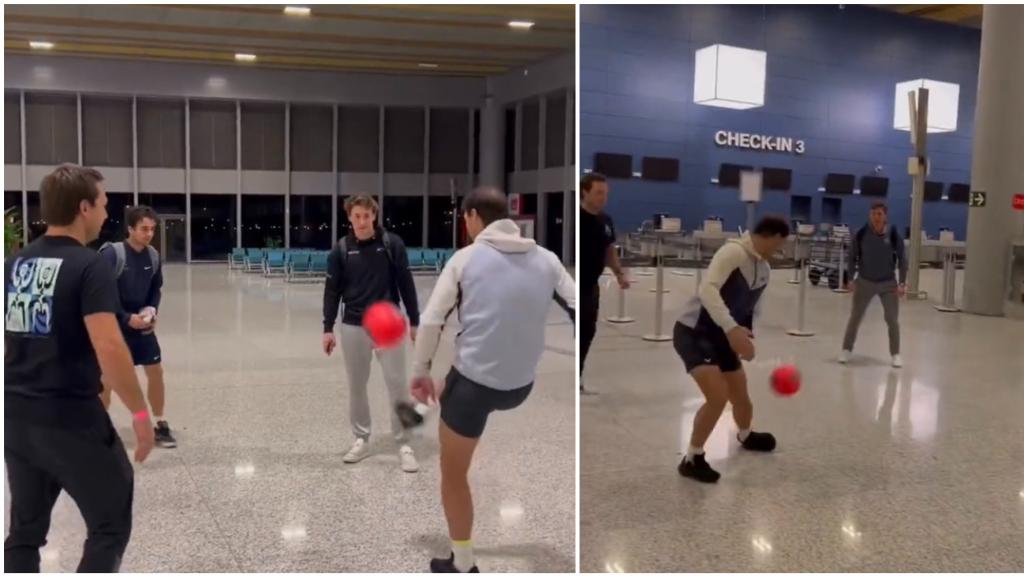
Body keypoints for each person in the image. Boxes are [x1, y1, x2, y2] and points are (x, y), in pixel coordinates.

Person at [410, 186, 576, 573]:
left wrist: (419, 372)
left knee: (453, 475)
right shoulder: (548, 259)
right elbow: (575, 303)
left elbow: (433, 320)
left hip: (475, 390)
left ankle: (463, 562)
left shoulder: (465, 259)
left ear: (471, 217)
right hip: (521, 385)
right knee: (461, 370)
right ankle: (440, 390)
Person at [4, 164, 155, 572]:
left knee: (24, 533)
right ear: (84, 207)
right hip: (71, 418)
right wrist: (140, 414)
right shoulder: (90, 266)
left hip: (17, 418)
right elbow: (109, 345)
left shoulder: (15, 264)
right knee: (109, 524)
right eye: (104, 205)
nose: (107, 214)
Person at [673, 216, 790, 483]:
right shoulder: (733, 252)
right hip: (695, 332)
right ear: (771, 236)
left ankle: (746, 434)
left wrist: (746, 336)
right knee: (717, 397)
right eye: (781, 242)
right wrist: (731, 329)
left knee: (740, 392)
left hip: (725, 336)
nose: (781, 248)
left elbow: (750, 307)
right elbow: (708, 290)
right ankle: (692, 457)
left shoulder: (765, 268)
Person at [322, 194, 422, 473]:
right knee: (357, 385)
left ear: (374, 216)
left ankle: (404, 443)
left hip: (389, 326)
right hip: (354, 326)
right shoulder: (340, 250)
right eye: (357, 216)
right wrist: (327, 328)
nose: (363, 221)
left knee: (398, 385)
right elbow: (332, 291)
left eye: (367, 216)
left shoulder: (392, 244)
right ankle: (361, 439)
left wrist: (414, 321)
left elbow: (406, 283)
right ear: (349, 218)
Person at [99, 205, 175, 447]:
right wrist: (124, 317)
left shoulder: (152, 256)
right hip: (114, 327)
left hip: (142, 328)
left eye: (152, 229)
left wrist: (152, 310)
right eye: (144, 228)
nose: (149, 233)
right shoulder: (112, 255)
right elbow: (99, 294)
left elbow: (155, 289)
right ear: (130, 229)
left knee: (156, 372)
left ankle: (160, 423)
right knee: (108, 380)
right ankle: (100, 427)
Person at [839, 202, 907, 368]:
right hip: (865, 281)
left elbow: (902, 259)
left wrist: (902, 283)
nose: (876, 217)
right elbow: (852, 257)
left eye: (880, 214)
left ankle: (895, 354)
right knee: (855, 316)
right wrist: (849, 279)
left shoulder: (892, 234)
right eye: (874, 214)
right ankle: (846, 349)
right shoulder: (861, 234)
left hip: (888, 283)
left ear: (885, 216)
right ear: (870, 215)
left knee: (892, 319)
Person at [579, 172, 629, 392]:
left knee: (588, 331)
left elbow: (609, 249)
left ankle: (578, 376)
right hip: (575, 287)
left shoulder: (605, 221)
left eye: (605, 194)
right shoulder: (577, 218)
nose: (603, 198)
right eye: (598, 193)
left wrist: (619, 273)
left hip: (591, 286)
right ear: (584, 192)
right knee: (579, 331)